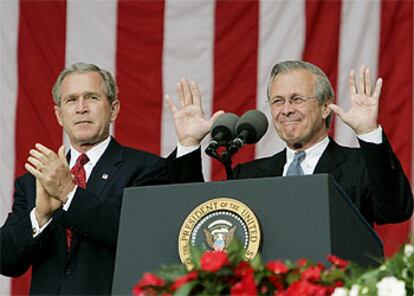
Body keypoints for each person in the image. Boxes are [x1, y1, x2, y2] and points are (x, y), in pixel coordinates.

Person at [0, 63, 186, 295]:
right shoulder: (33, 182)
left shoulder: (148, 169)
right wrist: (40, 216)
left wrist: (69, 193)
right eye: (71, 100)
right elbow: (6, 260)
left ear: (114, 109)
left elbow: (135, 237)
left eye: (91, 97)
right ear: (59, 115)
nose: (81, 108)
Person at [166, 60, 413, 226]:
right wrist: (188, 143)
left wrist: (368, 132)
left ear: (325, 106)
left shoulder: (358, 166)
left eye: (296, 99)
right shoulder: (248, 176)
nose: (286, 110)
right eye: (278, 101)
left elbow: (396, 210)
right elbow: (198, 218)